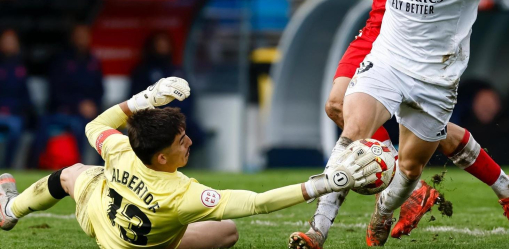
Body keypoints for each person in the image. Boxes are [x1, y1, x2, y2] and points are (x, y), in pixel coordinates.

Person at [256, 0, 509, 247]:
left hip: (435, 79)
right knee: (350, 129)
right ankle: (317, 230)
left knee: (410, 168)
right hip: (387, 57)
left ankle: (387, 209)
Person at [0, 77, 378, 249]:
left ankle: (9, 211)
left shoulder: (122, 150)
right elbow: (258, 202)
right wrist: (325, 183)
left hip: (99, 217)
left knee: (72, 174)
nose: (191, 142)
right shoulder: (184, 195)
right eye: (183, 141)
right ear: (162, 157)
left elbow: (95, 125)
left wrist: (147, 98)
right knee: (227, 230)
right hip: (136, 241)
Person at [32, 24, 104, 166]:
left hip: (87, 113)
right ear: (72, 37)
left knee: (102, 130)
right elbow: (56, 91)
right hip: (62, 110)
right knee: (46, 126)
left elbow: (99, 90)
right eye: (78, 35)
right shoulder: (61, 60)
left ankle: (98, 169)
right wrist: (78, 105)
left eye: (84, 35)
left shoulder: (93, 61)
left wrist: (93, 105)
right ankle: (32, 166)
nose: (81, 39)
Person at [130, 32, 205, 147]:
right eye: (159, 44)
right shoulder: (143, 71)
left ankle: (180, 162)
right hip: (156, 119)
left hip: (180, 118)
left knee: (196, 134)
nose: (163, 47)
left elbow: (188, 96)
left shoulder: (177, 71)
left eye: (165, 44)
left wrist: (180, 115)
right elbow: (137, 98)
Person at [461, 86, 509, 165]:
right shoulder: (463, 133)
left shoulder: (508, 132)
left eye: (489, 103)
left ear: (499, 105)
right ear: (473, 106)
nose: (485, 107)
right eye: (481, 103)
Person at [0, 29, 34, 168]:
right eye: (6, 41)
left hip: (14, 113)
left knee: (16, 128)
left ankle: (6, 167)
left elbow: (24, 95)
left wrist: (20, 110)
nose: (9, 44)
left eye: (12, 41)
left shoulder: (21, 66)